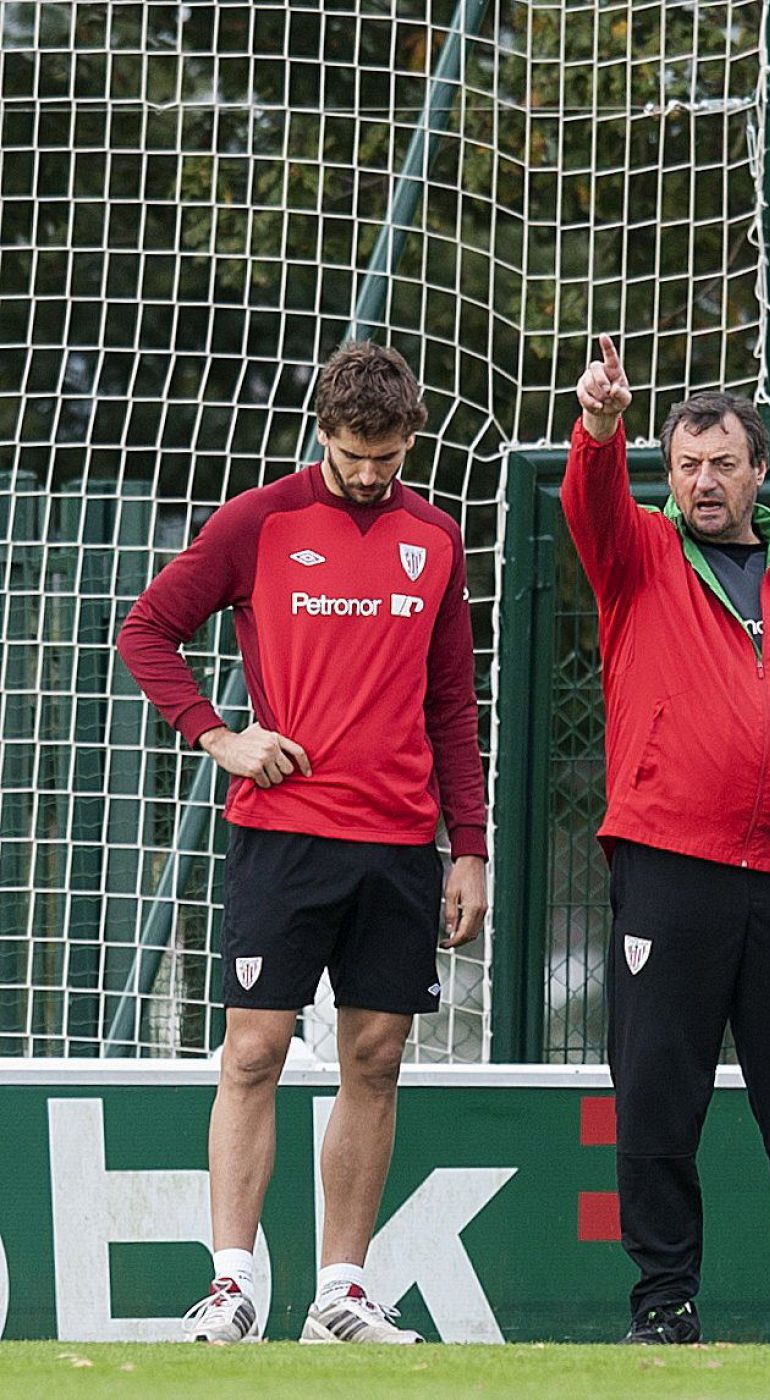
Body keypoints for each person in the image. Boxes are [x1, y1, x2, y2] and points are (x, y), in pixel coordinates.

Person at [117, 341, 488, 1344]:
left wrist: (471, 847)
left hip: (401, 842)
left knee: (375, 1054)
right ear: (322, 432)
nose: (370, 474)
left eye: (388, 454)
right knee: (256, 1049)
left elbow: (452, 702)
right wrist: (221, 735)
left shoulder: (436, 537)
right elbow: (147, 628)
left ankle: (341, 1291)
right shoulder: (259, 520)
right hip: (281, 834)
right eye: (353, 452)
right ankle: (231, 1285)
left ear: (411, 436)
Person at [563, 335, 770, 1346]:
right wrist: (602, 424)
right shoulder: (640, 554)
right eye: (686, 465)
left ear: (758, 471)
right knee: (659, 1092)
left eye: (721, 463)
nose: (702, 481)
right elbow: (591, 501)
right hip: (671, 863)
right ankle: (663, 1302)